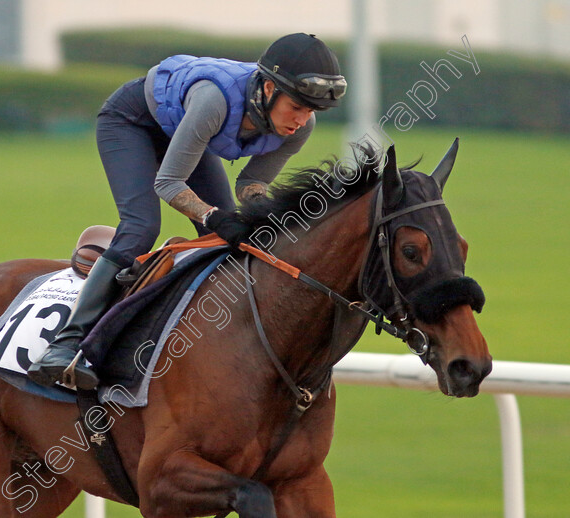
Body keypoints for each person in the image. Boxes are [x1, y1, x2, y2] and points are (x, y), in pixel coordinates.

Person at [27, 33, 347, 390]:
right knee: (141, 227)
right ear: (269, 88)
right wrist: (213, 216)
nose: (302, 120)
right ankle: (66, 345)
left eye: (311, 111)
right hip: (132, 123)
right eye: (298, 107)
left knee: (227, 244)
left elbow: (251, 185)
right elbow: (168, 183)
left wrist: (264, 216)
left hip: (188, 131)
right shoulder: (214, 102)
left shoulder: (298, 129)